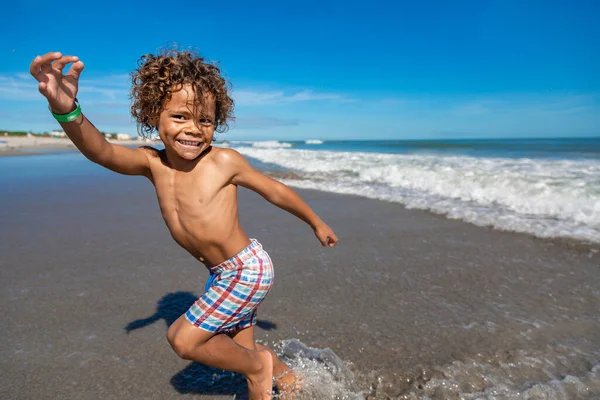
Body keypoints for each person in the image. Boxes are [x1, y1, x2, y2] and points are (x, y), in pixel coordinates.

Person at [30, 50, 338, 400]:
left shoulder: (223, 161)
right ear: (152, 115)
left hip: (247, 269)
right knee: (238, 349)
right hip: (222, 273)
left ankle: (259, 370)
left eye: (205, 121)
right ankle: (292, 381)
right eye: (179, 116)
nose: (193, 129)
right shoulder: (152, 163)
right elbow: (101, 151)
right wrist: (66, 110)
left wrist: (316, 222)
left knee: (184, 338)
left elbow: (275, 190)